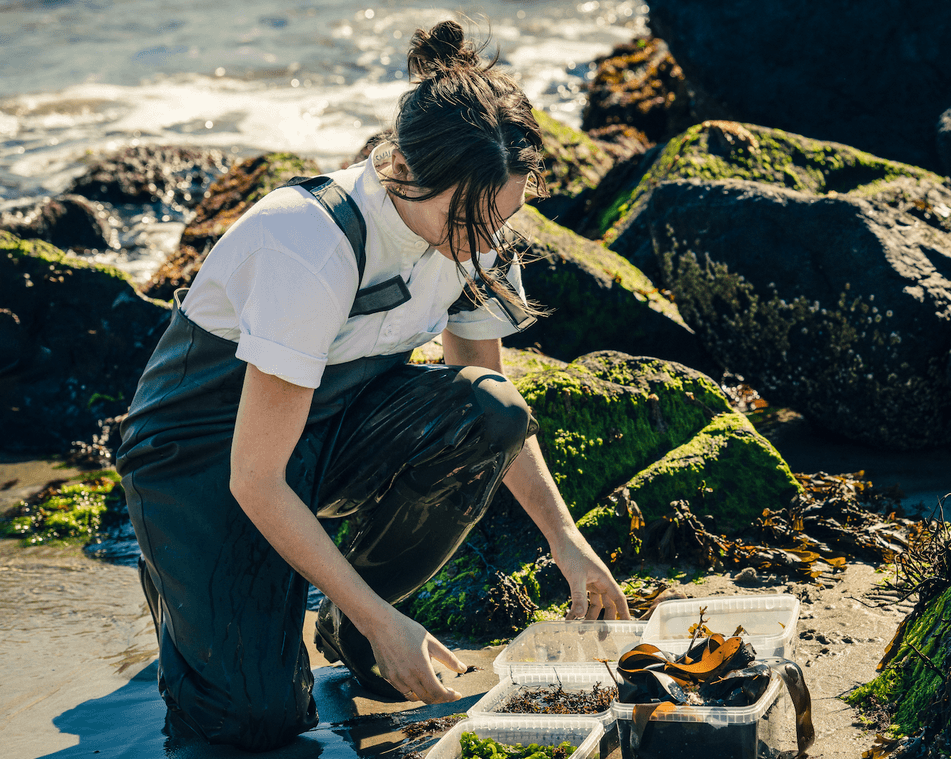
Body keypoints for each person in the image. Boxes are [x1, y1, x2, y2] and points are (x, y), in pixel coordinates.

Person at [114, 20, 630, 751]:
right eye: (472, 219)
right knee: (251, 724)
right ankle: (185, 577)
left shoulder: (474, 235)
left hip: (327, 427)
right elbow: (255, 477)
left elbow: (485, 395)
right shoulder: (309, 243)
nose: (489, 243)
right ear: (406, 172)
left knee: (491, 411)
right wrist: (382, 618)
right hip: (201, 462)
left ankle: (349, 624)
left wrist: (566, 538)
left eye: (504, 217)